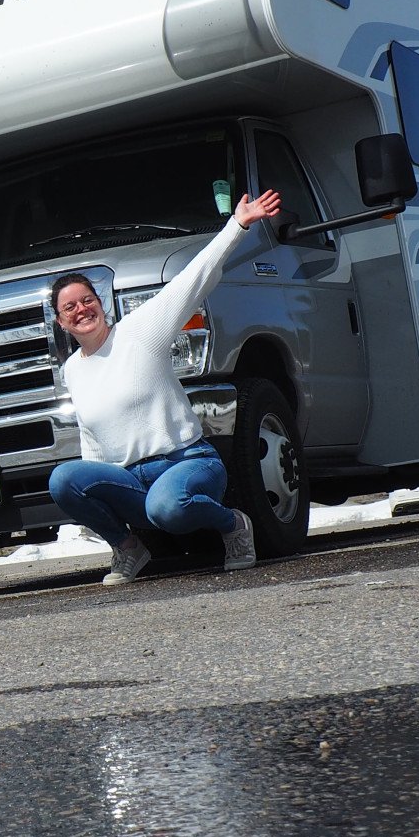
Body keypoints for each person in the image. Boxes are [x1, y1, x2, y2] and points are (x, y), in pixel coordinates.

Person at [48, 190, 283, 585]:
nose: (81, 310)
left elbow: (193, 280)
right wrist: (97, 509)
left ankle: (234, 525)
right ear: (61, 323)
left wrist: (238, 225)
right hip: (130, 481)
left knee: (168, 508)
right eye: (69, 307)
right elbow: (91, 436)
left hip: (186, 463)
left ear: (101, 304)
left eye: (87, 300)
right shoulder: (73, 368)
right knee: (63, 478)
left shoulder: (139, 333)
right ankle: (128, 550)